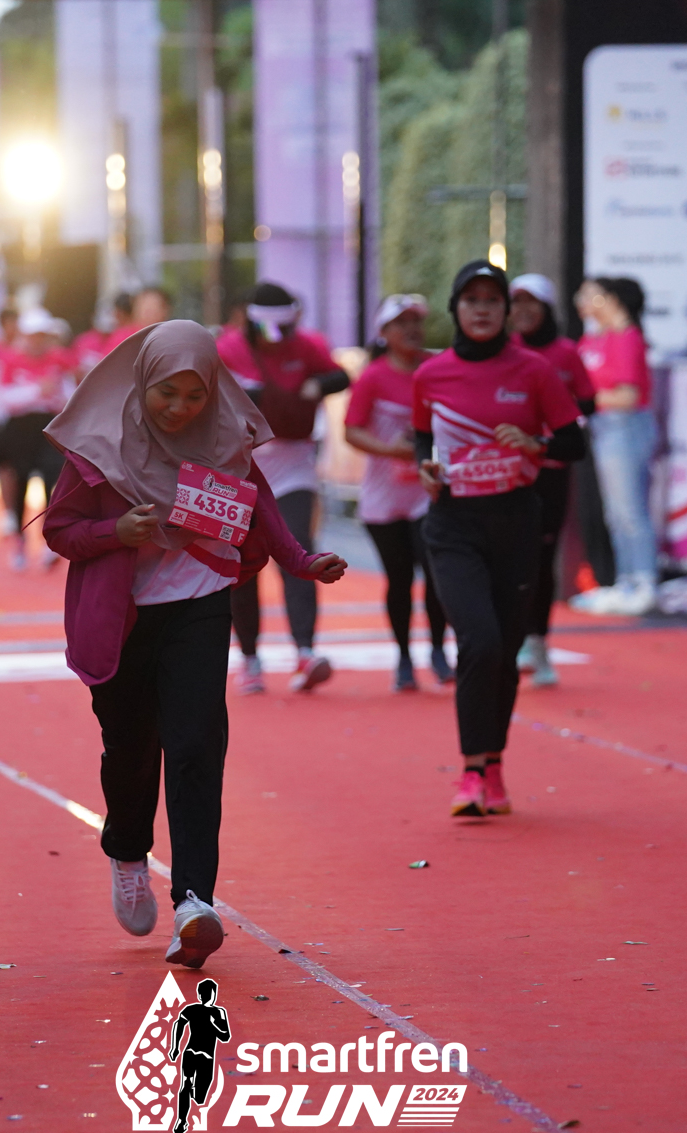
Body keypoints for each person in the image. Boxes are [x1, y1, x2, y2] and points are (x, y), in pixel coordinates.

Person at [42, 321, 346, 967]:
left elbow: (260, 506)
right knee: (131, 752)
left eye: (195, 394)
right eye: (167, 393)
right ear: (143, 381)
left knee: (196, 747)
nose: (181, 408)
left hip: (200, 604)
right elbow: (61, 530)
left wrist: (302, 562)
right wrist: (117, 532)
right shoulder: (99, 446)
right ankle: (128, 851)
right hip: (122, 620)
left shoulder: (222, 440)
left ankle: (193, 902)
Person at [415, 261, 585, 817]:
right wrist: (425, 467)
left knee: (506, 650)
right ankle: (470, 773)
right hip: (453, 524)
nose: (482, 309)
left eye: (493, 300)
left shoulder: (534, 370)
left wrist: (536, 444)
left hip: (515, 521)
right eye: (472, 300)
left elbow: (573, 443)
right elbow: (422, 438)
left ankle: (493, 765)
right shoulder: (431, 374)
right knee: (480, 641)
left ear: (507, 310)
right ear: (456, 310)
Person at [217, 283, 352, 694]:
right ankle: (250, 659)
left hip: (294, 466)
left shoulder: (307, 345)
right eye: (268, 330)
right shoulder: (227, 348)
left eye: (284, 329)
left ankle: (305, 651)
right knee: (240, 562)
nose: (277, 338)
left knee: (299, 550)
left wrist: (317, 386)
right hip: (242, 466)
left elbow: (339, 375)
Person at [344, 294, 451, 691]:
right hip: (384, 497)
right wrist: (393, 450)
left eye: (415, 322)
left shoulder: (436, 369)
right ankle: (404, 658)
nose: (411, 330)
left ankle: (439, 651)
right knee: (399, 578)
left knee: (437, 572)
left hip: (428, 493)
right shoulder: (372, 377)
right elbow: (351, 430)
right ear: (384, 333)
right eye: (401, 323)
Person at [504, 274, 595, 686]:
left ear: (547, 308)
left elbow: (588, 402)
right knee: (508, 557)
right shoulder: (503, 351)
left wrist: (553, 423)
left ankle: (537, 642)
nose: (523, 311)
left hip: (551, 470)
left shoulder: (565, 353)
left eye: (531, 303)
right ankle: (510, 639)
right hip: (506, 470)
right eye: (517, 302)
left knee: (542, 558)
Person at [568, 277, 659, 616]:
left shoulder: (627, 337)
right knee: (615, 513)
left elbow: (628, 396)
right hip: (601, 427)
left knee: (630, 510)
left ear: (611, 299)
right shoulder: (593, 338)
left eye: (590, 295)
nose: (581, 301)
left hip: (624, 426)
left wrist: (585, 401)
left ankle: (644, 581)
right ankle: (626, 581)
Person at [0, 308, 74, 571]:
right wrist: (37, 390)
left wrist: (54, 395)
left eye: (42, 335)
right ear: (24, 336)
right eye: (33, 335)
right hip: (20, 430)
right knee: (20, 483)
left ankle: (48, 541)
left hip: (49, 427)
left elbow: (70, 395)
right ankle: (20, 541)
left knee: (52, 481)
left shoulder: (59, 360)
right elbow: (5, 398)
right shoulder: (11, 360)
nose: (37, 341)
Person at [167, 978, 229, 1133]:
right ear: (201, 995)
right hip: (193, 1053)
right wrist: (175, 1047)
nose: (209, 996)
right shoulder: (192, 1009)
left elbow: (225, 1036)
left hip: (204, 1056)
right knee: (186, 1083)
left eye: (211, 993)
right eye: (207, 993)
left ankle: (193, 1096)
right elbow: (179, 1024)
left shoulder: (218, 1012)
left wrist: (212, 1025)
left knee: (199, 1096)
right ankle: (181, 1120)